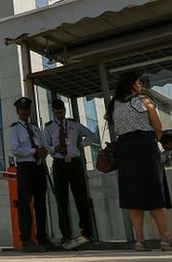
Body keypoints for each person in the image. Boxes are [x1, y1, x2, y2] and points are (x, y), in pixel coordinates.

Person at [107, 73, 172, 252]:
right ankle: (165, 239)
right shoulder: (144, 100)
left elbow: (115, 126)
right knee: (155, 191)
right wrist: (152, 140)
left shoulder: (114, 104)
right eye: (138, 82)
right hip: (145, 146)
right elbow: (158, 127)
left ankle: (139, 241)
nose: (141, 84)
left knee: (132, 195)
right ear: (132, 85)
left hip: (125, 148)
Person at [43, 99, 96, 250]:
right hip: (59, 164)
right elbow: (45, 144)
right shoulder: (49, 127)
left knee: (81, 197)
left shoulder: (73, 124)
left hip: (75, 163)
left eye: (62, 112)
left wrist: (82, 145)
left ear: (65, 111)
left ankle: (87, 232)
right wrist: (54, 148)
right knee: (62, 199)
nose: (60, 115)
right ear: (53, 111)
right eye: (57, 112)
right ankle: (66, 234)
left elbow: (92, 135)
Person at [7, 96, 54, 252]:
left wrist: (45, 151)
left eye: (27, 109)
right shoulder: (14, 128)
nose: (25, 112)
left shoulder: (35, 127)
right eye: (22, 110)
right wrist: (34, 150)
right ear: (17, 111)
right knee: (25, 203)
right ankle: (26, 238)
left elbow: (44, 144)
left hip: (38, 166)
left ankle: (42, 237)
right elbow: (16, 150)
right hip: (25, 167)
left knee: (40, 203)